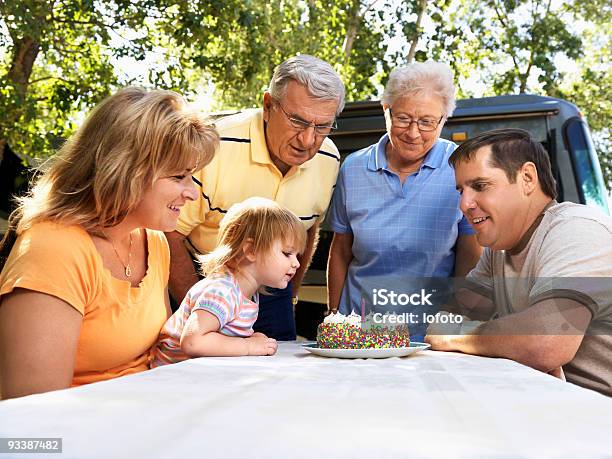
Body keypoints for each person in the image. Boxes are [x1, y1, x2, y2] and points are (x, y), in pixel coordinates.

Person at [0, 87, 219, 399]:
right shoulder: (54, 249)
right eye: (178, 177)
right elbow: (32, 417)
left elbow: (159, 355)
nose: (192, 193)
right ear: (126, 171)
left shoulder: (153, 241)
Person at [166, 54, 345, 341]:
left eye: (322, 126)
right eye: (298, 121)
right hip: (205, 281)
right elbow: (169, 234)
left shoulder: (329, 157)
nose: (308, 140)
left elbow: (308, 229)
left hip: (273, 287)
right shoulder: (215, 146)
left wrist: (290, 296)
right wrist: (202, 306)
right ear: (268, 106)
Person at [425, 128, 612, 397]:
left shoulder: (577, 230)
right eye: (461, 191)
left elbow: (546, 342)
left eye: (480, 186)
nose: (464, 204)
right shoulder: (497, 252)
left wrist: (463, 337)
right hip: (557, 408)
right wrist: (512, 342)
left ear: (527, 178)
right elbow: (441, 324)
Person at [327, 62, 482, 337]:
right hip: (359, 328)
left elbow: (470, 253)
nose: (413, 133)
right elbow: (341, 250)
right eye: (403, 118)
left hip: (428, 333)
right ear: (386, 111)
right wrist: (335, 317)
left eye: (426, 122)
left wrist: (458, 319)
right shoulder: (353, 169)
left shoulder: (460, 167)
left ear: (443, 120)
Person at [152, 198, 306, 365]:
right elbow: (193, 342)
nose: (296, 263)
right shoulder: (221, 291)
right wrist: (247, 346)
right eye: (287, 253)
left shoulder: (247, 294)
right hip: (172, 377)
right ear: (251, 250)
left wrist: (250, 339)